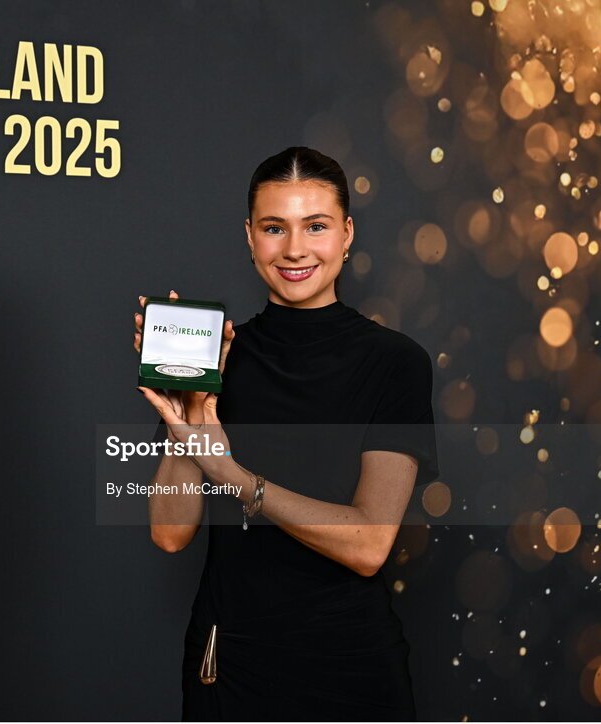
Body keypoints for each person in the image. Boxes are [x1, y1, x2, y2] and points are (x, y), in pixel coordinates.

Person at [132, 146, 439, 721]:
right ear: (250, 238)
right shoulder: (217, 358)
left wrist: (236, 477)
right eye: (275, 228)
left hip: (352, 672)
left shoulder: (395, 363)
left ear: (347, 234)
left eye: (315, 226)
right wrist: (188, 416)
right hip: (232, 671)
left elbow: (370, 545)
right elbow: (170, 534)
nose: (295, 249)